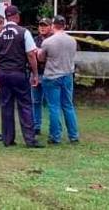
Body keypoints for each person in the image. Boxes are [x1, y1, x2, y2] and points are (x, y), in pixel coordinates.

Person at [0, 5, 44, 148]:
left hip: (3, 75)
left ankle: (7, 139)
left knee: (6, 106)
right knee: (25, 105)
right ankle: (30, 140)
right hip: (19, 74)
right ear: (16, 16)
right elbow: (31, 54)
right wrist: (35, 73)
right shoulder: (23, 32)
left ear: (7, 17)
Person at [38, 15, 79, 145]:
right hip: (67, 75)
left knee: (54, 107)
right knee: (68, 106)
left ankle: (55, 136)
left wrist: (38, 52)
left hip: (52, 76)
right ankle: (73, 135)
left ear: (53, 26)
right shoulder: (72, 41)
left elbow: (41, 58)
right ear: (65, 25)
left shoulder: (48, 42)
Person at [33, 17, 53, 135]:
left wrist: (39, 53)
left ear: (50, 27)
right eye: (41, 25)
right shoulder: (34, 39)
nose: (42, 27)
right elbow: (30, 55)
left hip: (49, 74)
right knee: (35, 101)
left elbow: (47, 57)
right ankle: (36, 126)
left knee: (51, 103)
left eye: (45, 25)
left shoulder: (53, 40)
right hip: (35, 73)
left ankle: (53, 126)